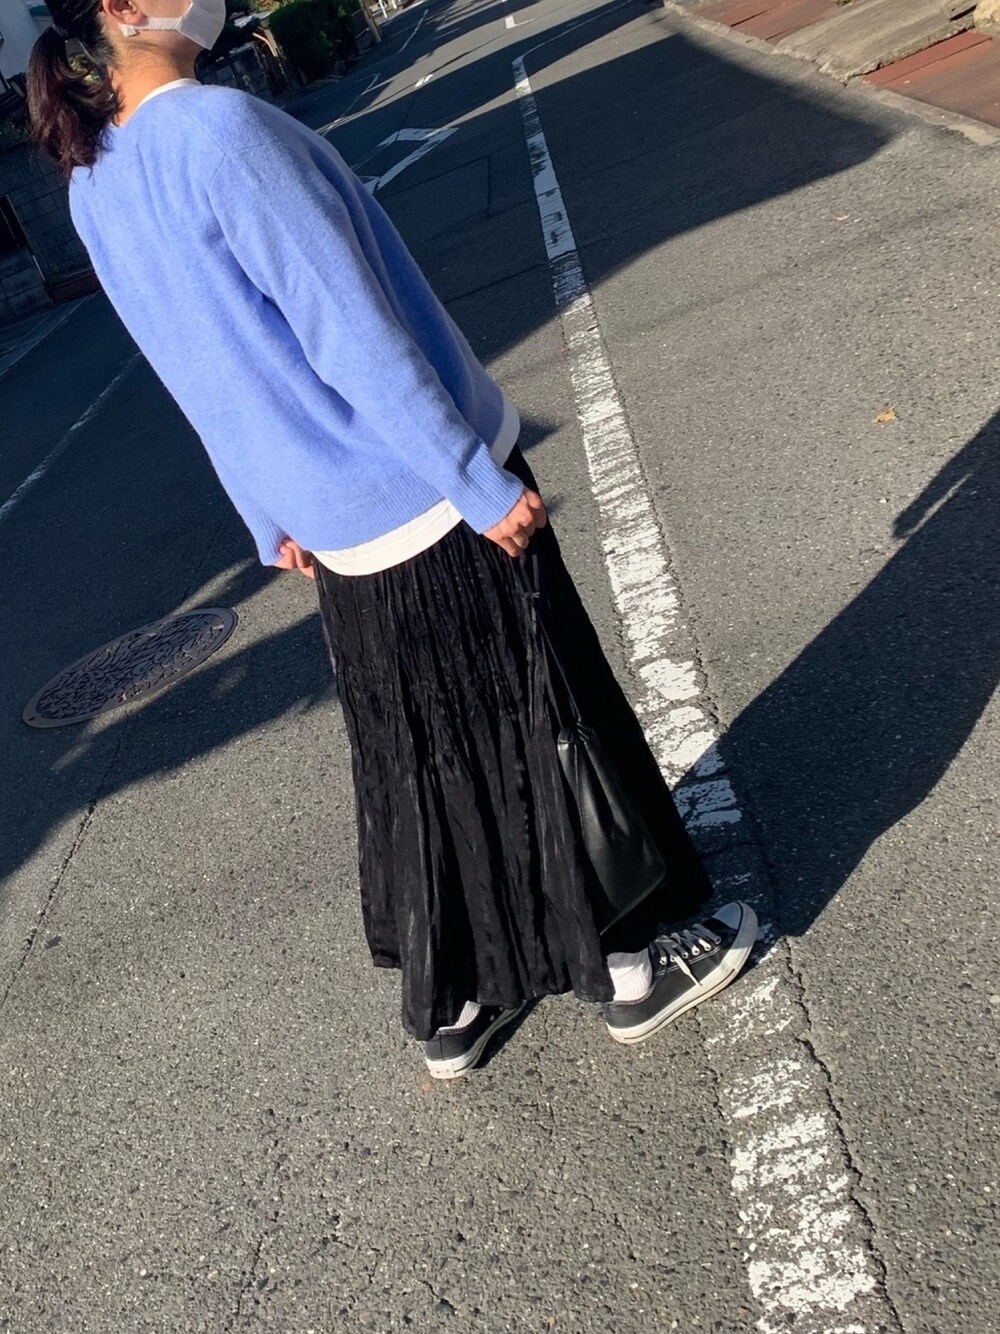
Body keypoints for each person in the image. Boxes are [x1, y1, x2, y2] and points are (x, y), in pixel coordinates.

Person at [27, 0, 758, 1079]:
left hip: (334, 523)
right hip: (421, 488)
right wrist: (472, 477)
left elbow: (197, 375)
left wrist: (268, 514)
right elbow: (350, 329)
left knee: (417, 754)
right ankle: (628, 965)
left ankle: (453, 996)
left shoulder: (95, 181)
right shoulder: (219, 129)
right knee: (536, 718)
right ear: (121, 11)